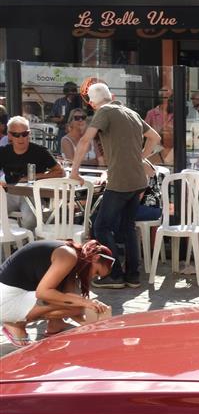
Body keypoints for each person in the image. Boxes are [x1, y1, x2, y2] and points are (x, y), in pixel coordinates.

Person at [70, 82, 160, 290]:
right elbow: (154, 137)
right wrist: (140, 157)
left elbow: (84, 141)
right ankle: (133, 276)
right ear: (112, 96)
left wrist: (74, 171)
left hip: (120, 180)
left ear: (92, 104)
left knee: (100, 226)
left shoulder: (104, 112)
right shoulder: (131, 113)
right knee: (128, 227)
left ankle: (115, 274)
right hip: (138, 180)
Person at [0, 239, 113, 347]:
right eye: (96, 272)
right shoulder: (68, 255)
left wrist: (87, 323)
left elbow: (70, 300)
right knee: (74, 302)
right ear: (95, 258)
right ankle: (15, 325)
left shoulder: (74, 256)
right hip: (6, 299)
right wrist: (85, 302)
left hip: (15, 293)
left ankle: (56, 324)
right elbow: (43, 293)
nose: (92, 277)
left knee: (74, 302)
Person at [0, 116, 64, 230]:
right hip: (10, 193)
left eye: (25, 134)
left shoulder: (40, 151)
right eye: (16, 134)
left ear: (29, 134)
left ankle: (28, 240)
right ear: (9, 135)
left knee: (30, 221)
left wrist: (34, 176)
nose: (21, 138)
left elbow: (60, 172)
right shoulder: (4, 151)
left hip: (33, 194)